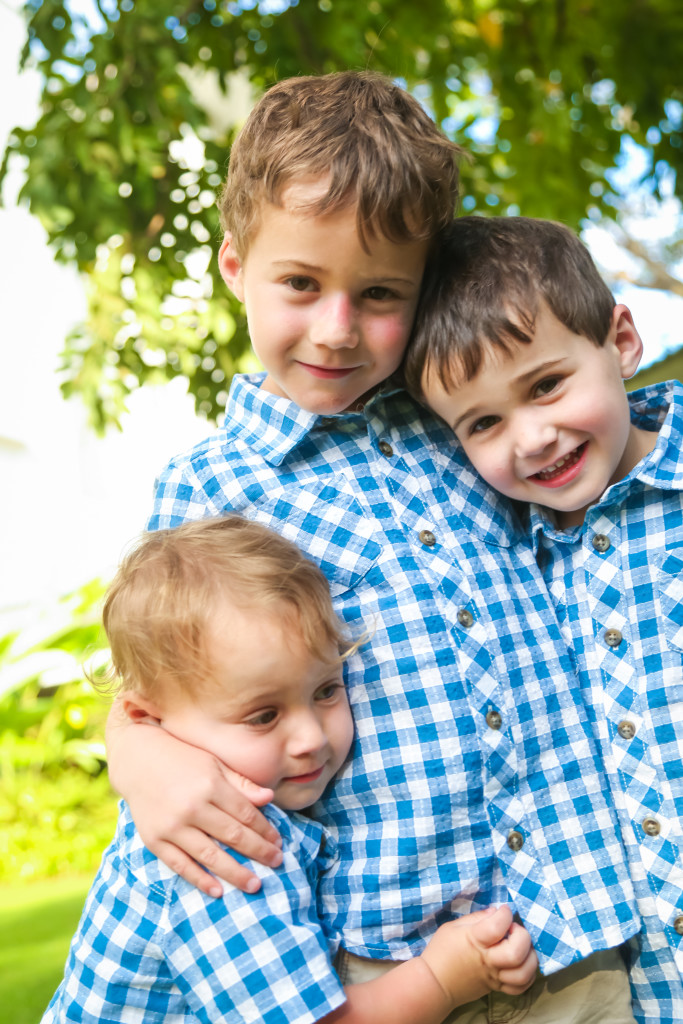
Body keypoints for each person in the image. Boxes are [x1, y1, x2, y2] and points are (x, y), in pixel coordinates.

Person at [106, 73, 642, 1024]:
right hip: (390, 957)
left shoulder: (472, 424)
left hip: (578, 920)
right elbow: (166, 681)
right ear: (236, 267)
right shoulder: (208, 490)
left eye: (381, 293)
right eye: (300, 285)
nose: (337, 329)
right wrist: (135, 753)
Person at [44, 516, 538, 1024]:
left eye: (326, 690)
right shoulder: (221, 850)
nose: (311, 739)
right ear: (150, 719)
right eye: (263, 715)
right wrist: (443, 976)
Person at [403, 213, 683, 1023]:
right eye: (482, 424)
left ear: (621, 340)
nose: (531, 437)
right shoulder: (508, 562)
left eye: (546, 384)